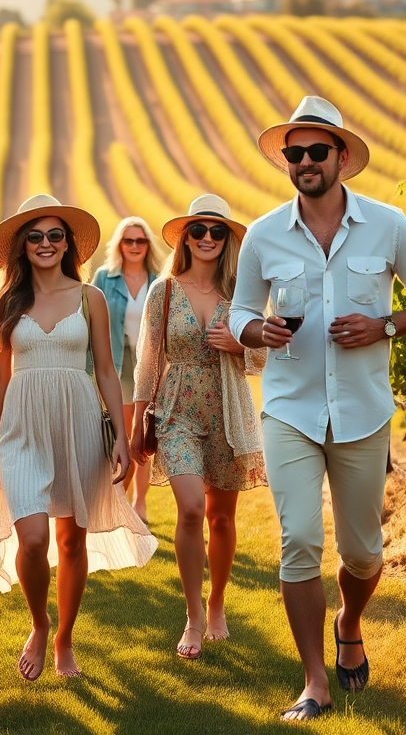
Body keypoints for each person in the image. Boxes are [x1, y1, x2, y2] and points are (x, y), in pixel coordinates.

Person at [228, 96, 406, 722]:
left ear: (341, 156)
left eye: (316, 151)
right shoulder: (264, 235)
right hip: (289, 411)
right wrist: (258, 331)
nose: (304, 161)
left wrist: (385, 325)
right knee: (299, 540)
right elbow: (240, 311)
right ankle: (314, 682)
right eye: (294, 152)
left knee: (362, 553)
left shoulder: (388, 226)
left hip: (362, 411)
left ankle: (349, 621)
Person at [0, 194, 158, 681]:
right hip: (22, 427)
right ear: (23, 245)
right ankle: (39, 624)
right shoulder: (4, 302)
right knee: (33, 539)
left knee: (71, 541)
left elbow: (106, 369)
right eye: (35, 236)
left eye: (55, 235)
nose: (45, 243)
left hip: (78, 421)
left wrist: (120, 436)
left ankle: (63, 639)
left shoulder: (89, 298)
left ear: (67, 244)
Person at [129, 194, 267, 662]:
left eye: (217, 231)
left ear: (227, 240)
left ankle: (217, 603)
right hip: (177, 412)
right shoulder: (163, 291)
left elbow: (265, 353)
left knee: (221, 519)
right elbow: (148, 362)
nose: (208, 238)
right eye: (199, 230)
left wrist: (238, 344)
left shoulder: (242, 294)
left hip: (227, 411)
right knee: (191, 509)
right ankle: (192, 616)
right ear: (185, 238)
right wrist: (137, 423)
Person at [92, 217, 166, 523]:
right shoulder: (104, 278)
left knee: (145, 433)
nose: (134, 246)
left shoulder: (159, 279)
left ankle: (140, 502)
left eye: (140, 240)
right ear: (119, 245)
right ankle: (117, 499)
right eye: (128, 240)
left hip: (151, 365)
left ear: (148, 245)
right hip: (117, 364)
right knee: (123, 433)